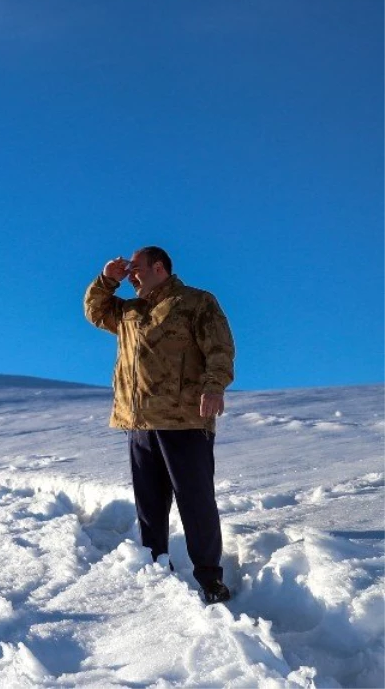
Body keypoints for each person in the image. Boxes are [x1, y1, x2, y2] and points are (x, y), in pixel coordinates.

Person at [84, 246, 235, 604]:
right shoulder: (128, 311)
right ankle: (155, 571)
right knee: (149, 506)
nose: (131, 276)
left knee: (195, 501)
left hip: (184, 419)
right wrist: (107, 279)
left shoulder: (196, 302)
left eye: (136, 269)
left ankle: (210, 579)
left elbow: (220, 348)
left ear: (159, 267)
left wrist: (214, 386)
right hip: (140, 423)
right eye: (128, 271)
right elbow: (95, 311)